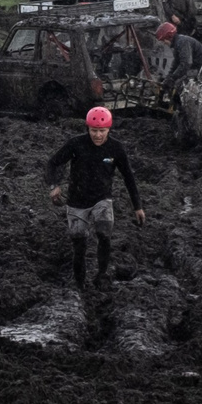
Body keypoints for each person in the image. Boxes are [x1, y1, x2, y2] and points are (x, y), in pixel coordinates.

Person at [44, 106, 143, 288]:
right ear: (87, 128)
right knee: (79, 245)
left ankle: (102, 275)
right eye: (94, 131)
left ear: (109, 130)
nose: (98, 135)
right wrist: (54, 185)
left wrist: (138, 206)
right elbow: (52, 163)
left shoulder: (116, 148)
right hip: (77, 200)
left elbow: (129, 177)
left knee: (104, 235)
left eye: (102, 131)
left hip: (102, 199)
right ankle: (80, 284)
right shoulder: (76, 144)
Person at [154, 21, 202, 101]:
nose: (164, 43)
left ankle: (179, 106)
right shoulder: (178, 43)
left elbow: (186, 63)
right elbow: (176, 63)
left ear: (169, 36)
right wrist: (168, 77)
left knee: (179, 85)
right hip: (196, 67)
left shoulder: (182, 42)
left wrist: (173, 78)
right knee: (174, 81)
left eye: (163, 40)